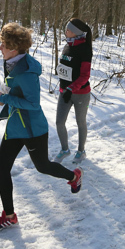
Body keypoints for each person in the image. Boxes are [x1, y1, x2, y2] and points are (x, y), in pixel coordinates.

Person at [0, 22, 83, 232]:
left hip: (32, 129)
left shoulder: (25, 72)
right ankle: (10, 216)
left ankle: (74, 176)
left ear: (13, 48)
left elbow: (33, 104)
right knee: (1, 168)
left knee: (43, 167)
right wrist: (7, 99)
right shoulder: (13, 62)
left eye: (3, 45)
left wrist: (4, 97)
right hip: (15, 127)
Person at [54, 18, 93, 163]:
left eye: (68, 30)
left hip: (81, 94)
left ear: (75, 32)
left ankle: (81, 151)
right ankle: (65, 150)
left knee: (80, 122)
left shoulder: (85, 49)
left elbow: (84, 75)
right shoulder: (67, 45)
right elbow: (66, 67)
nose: (65, 32)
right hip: (65, 92)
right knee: (59, 122)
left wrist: (71, 88)